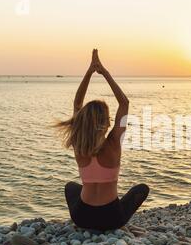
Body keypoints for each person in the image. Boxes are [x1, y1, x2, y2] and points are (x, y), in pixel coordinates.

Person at [56, 48, 149, 231]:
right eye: (107, 118)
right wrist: (104, 72)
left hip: (82, 218)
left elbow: (77, 104)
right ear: (104, 122)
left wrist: (90, 72)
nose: (109, 121)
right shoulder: (114, 142)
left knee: (70, 187)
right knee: (142, 189)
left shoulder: (78, 143)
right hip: (111, 218)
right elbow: (124, 103)